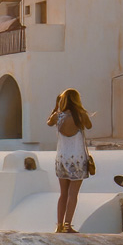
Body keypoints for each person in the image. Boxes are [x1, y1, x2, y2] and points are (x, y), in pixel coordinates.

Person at [47, 88, 93, 232]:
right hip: (77, 159)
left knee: (63, 194)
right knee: (73, 194)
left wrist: (56, 107)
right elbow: (89, 126)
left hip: (62, 158)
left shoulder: (58, 117)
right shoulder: (80, 115)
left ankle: (59, 225)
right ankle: (68, 225)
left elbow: (49, 122)